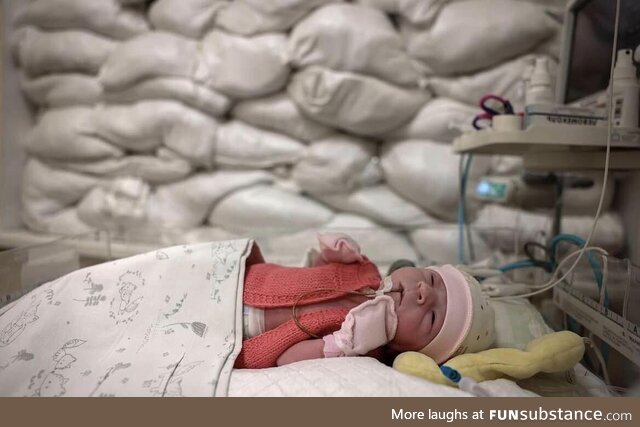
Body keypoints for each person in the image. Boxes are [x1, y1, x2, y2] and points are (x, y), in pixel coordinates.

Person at [234, 233, 495, 369]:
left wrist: (342, 344)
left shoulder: (365, 349)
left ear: (408, 352)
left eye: (433, 317)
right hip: (243, 279)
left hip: (237, 332)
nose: (424, 292)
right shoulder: (364, 270)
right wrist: (333, 254)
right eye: (432, 278)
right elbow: (313, 275)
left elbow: (284, 359)